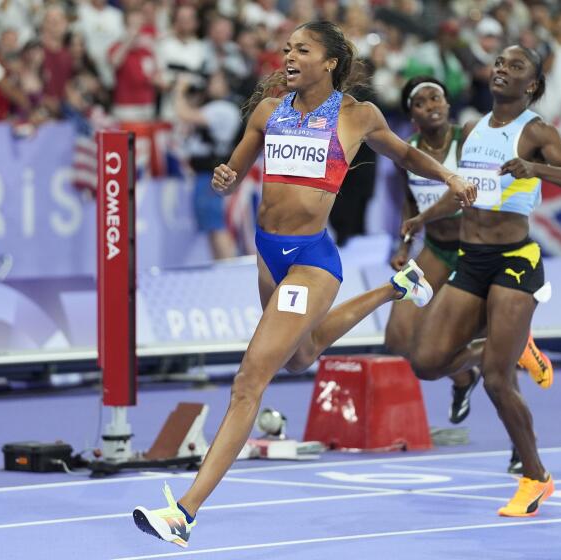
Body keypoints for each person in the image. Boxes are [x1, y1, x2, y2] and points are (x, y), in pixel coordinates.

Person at [131, 20, 476, 547]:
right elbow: (235, 169)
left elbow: (405, 155)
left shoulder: (357, 116)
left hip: (312, 262)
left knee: (251, 379)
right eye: (287, 48)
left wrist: (449, 177)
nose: (289, 55)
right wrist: (226, 177)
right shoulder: (270, 110)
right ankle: (395, 288)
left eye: (302, 49)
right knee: (301, 353)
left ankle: (185, 511)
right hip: (268, 254)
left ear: (330, 61)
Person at [403, 45, 561, 517]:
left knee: (495, 379)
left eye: (515, 67)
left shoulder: (536, 131)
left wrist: (536, 168)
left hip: (514, 261)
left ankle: (535, 477)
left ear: (531, 85)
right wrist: (421, 218)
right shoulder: (471, 130)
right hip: (472, 261)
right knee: (426, 361)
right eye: (499, 63)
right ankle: (516, 347)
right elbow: (465, 194)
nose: (501, 70)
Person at [385, 76, 553, 448]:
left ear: (448, 104)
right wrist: (405, 245)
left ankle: (520, 448)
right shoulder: (409, 151)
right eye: (422, 102)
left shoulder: (470, 139)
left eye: (438, 97)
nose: (432, 105)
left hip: (475, 253)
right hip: (436, 249)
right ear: (411, 114)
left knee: (499, 368)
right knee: (398, 338)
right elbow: (411, 201)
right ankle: (462, 378)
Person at [174, 70, 241, 260]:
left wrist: (180, 89)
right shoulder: (217, 106)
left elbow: (184, 114)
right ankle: (221, 265)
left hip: (210, 173)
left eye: (216, 80)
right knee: (211, 225)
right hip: (206, 173)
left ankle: (227, 266)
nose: (210, 83)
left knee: (216, 224)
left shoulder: (222, 108)